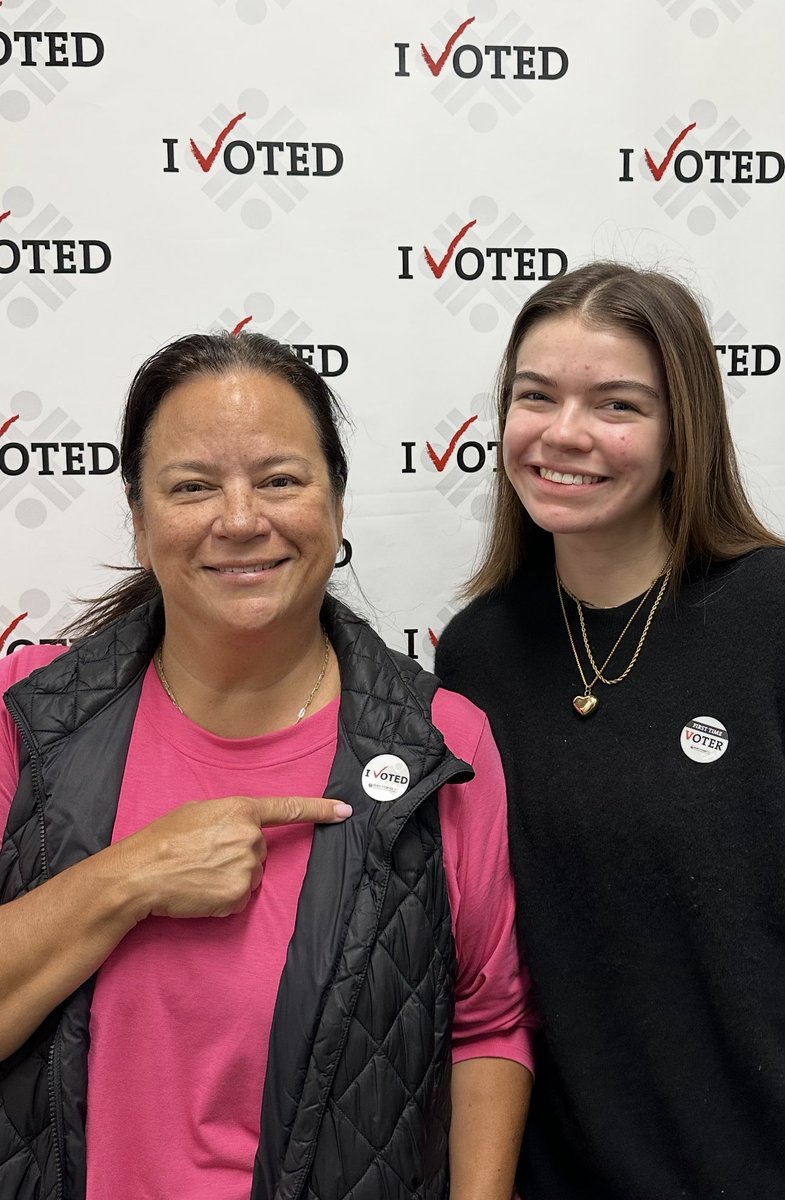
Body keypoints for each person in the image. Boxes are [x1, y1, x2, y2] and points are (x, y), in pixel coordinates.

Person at [0, 332, 536, 1200]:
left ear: (336, 506)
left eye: (281, 480)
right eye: (192, 487)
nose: (241, 519)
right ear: (139, 522)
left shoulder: (442, 745)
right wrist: (131, 876)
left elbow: (485, 1024)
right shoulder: (26, 717)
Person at [434, 261, 785, 1200]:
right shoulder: (477, 654)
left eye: (617, 405)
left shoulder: (771, 615)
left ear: (683, 437)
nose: (564, 433)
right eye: (534, 396)